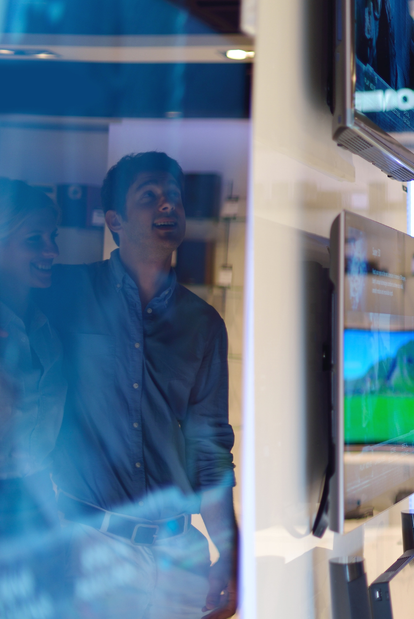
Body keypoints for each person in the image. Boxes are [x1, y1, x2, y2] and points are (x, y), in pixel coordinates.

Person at [35, 152, 238, 619]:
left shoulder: (204, 324)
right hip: (91, 550)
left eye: (174, 196)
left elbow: (210, 451)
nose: (168, 204)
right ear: (115, 221)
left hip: (183, 557)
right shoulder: (65, 293)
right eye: (149, 196)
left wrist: (229, 553)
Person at [0, 179, 65, 539]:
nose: (52, 250)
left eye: (52, 236)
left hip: (38, 501)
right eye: (33, 240)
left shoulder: (45, 327)